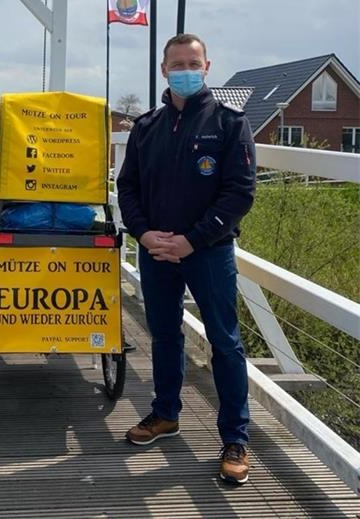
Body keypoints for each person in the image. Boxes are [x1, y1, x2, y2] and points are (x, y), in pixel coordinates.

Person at [116, 33, 256, 484]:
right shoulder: (146, 127)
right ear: (163, 70)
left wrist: (192, 240)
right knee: (163, 335)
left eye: (192, 62)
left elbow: (239, 192)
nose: (185, 70)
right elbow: (128, 188)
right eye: (177, 64)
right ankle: (165, 414)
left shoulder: (231, 124)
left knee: (225, 342)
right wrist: (143, 232)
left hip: (208, 253)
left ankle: (235, 438)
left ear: (207, 66)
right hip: (155, 250)